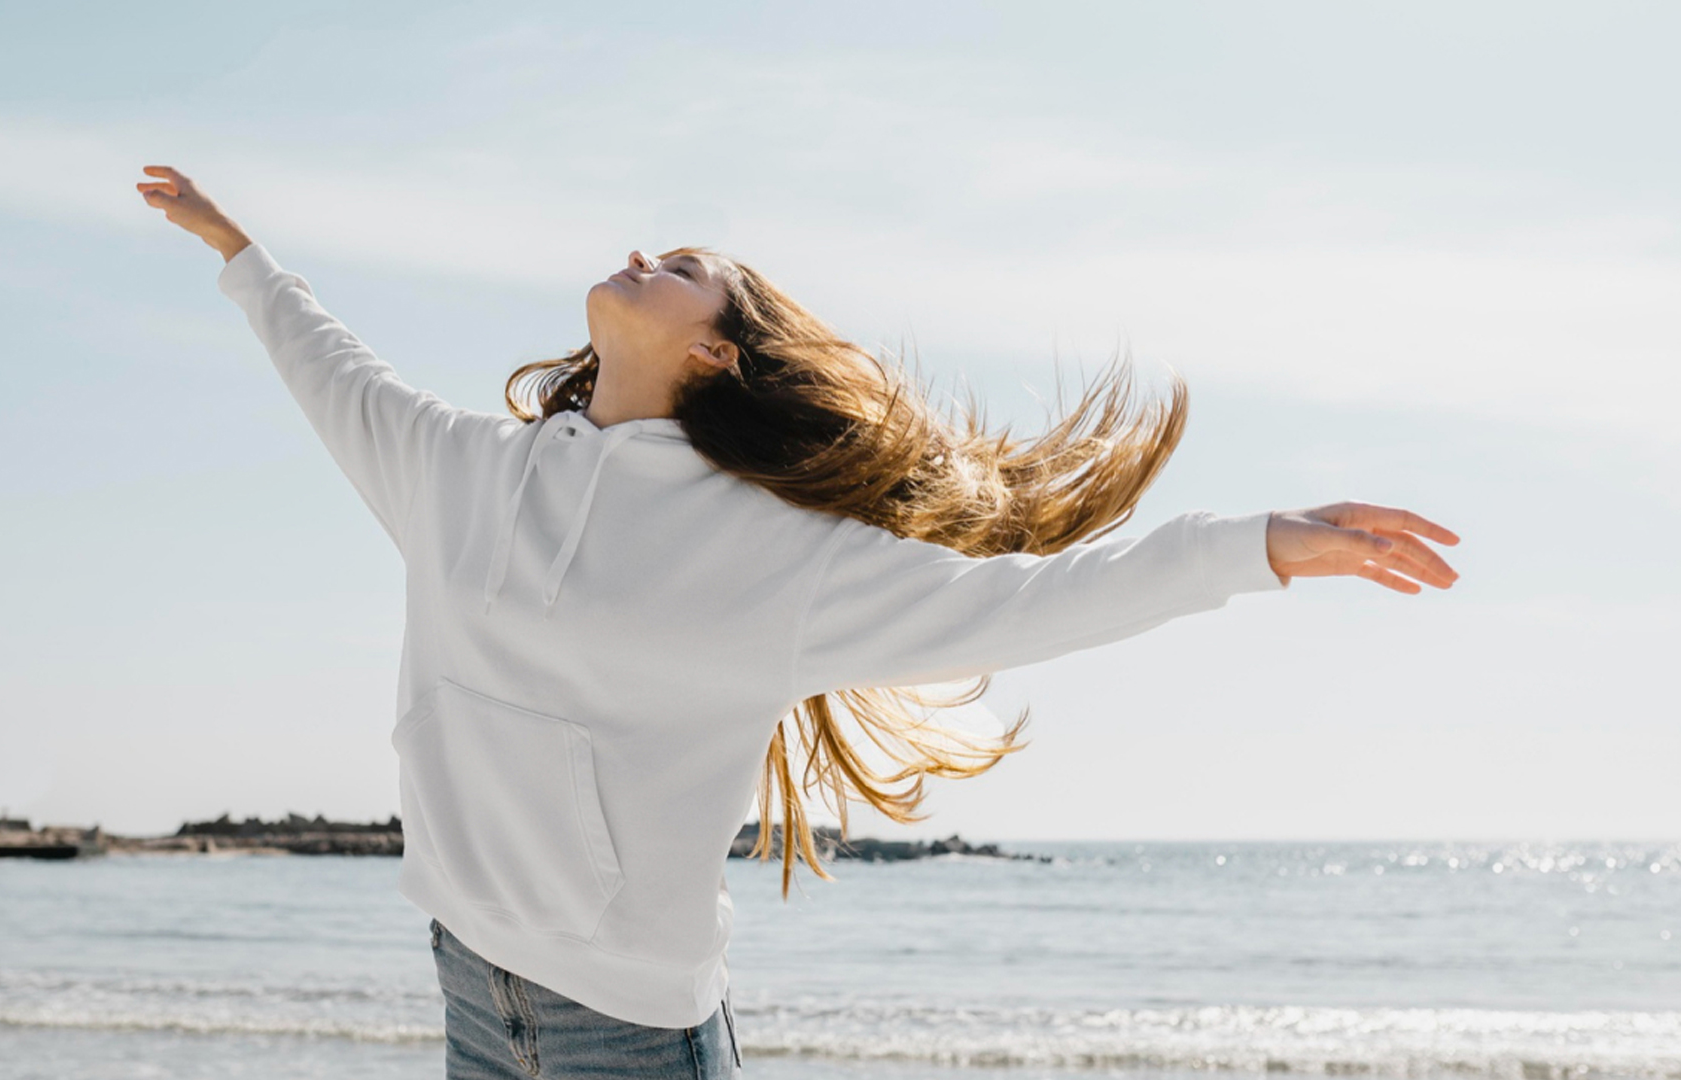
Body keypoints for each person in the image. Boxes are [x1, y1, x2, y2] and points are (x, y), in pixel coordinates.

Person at [137, 164, 1460, 1079]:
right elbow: (330, 368)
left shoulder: (776, 559)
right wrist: (236, 251)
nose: (646, 255)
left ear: (719, 351)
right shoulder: (458, 471)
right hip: (470, 984)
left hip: (631, 1033)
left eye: (688, 268)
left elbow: (1036, 600)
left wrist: (1253, 548)